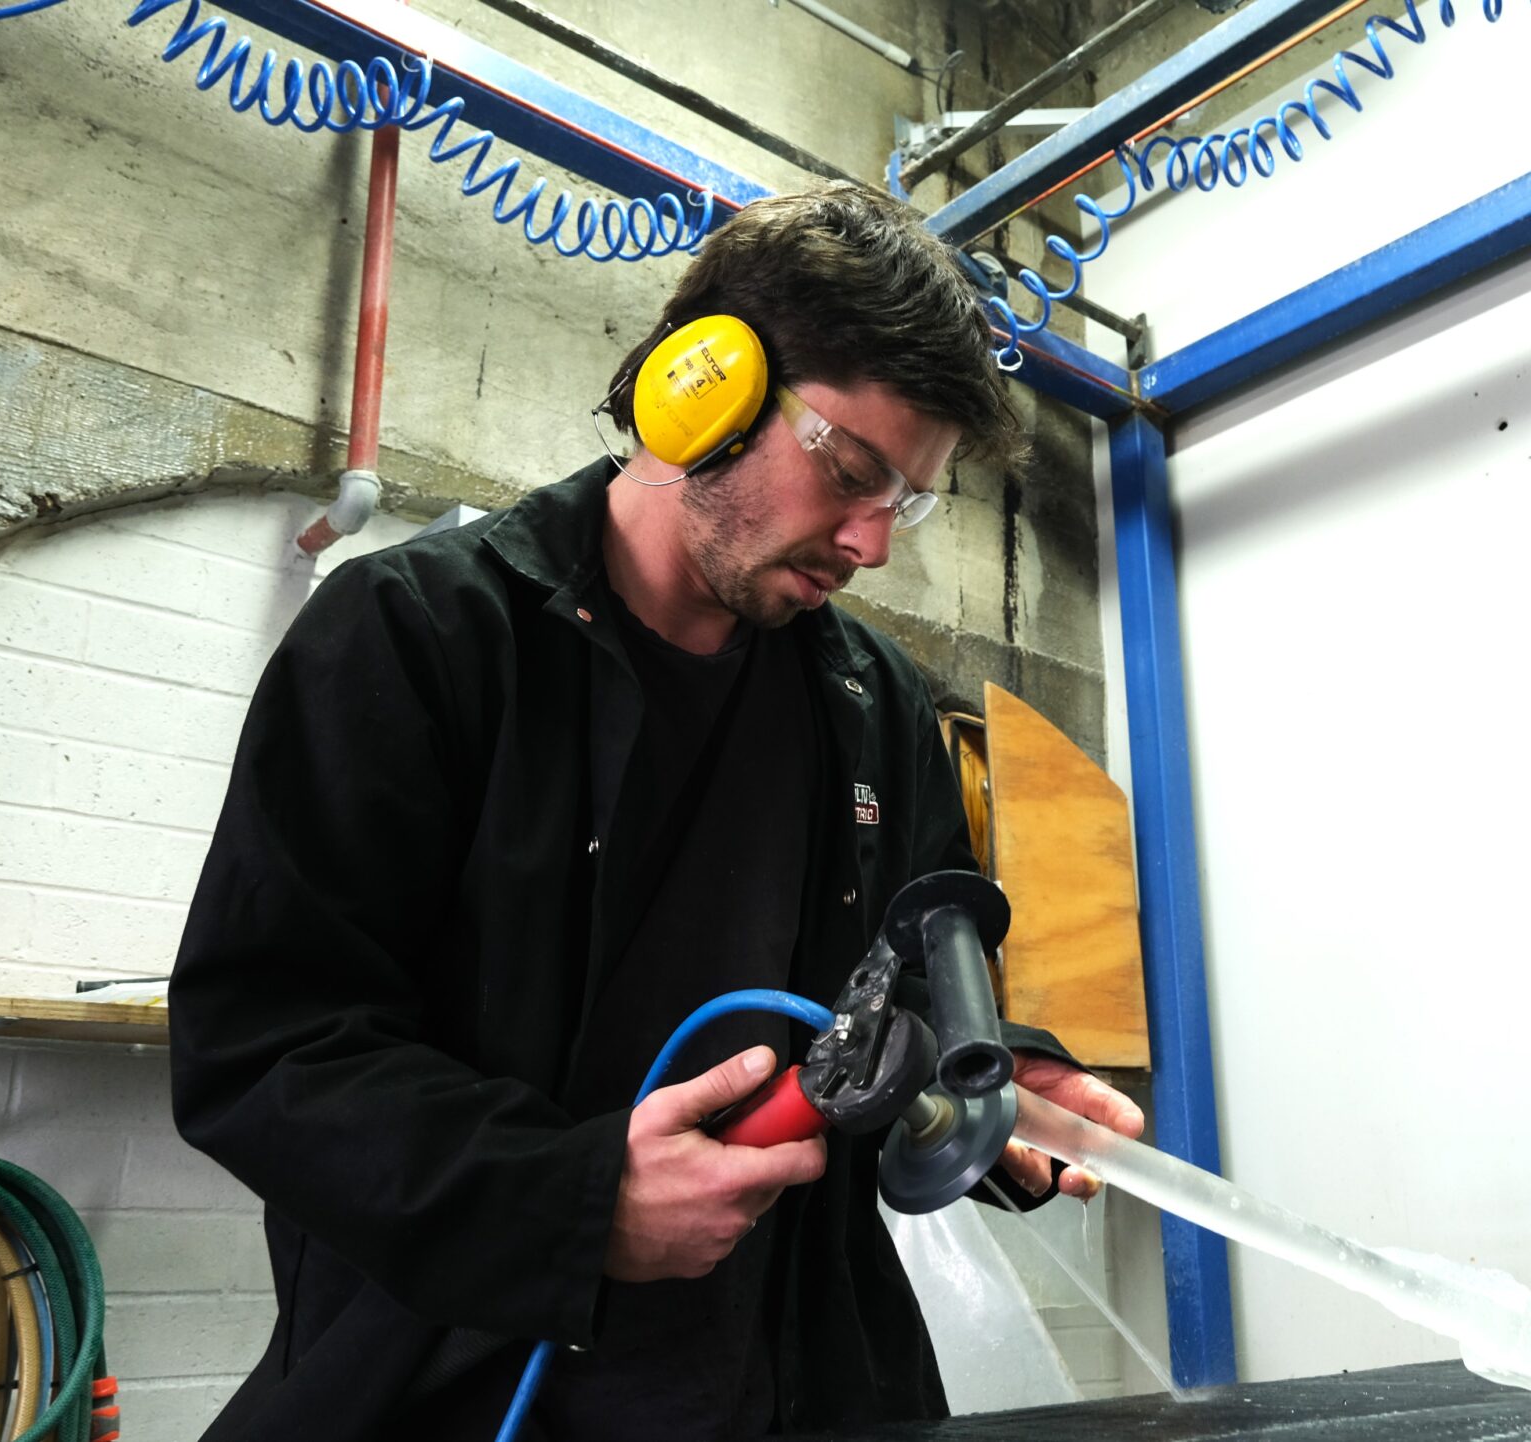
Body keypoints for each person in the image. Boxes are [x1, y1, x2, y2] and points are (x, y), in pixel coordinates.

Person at [168, 182, 1144, 1441]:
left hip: (796, 1388)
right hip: (466, 1384)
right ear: (705, 388)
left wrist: (992, 1075)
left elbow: (890, 1006)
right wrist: (578, 1199)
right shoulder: (416, 639)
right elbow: (267, 1044)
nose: (869, 542)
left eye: (903, 500)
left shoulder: (876, 706)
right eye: (850, 469)